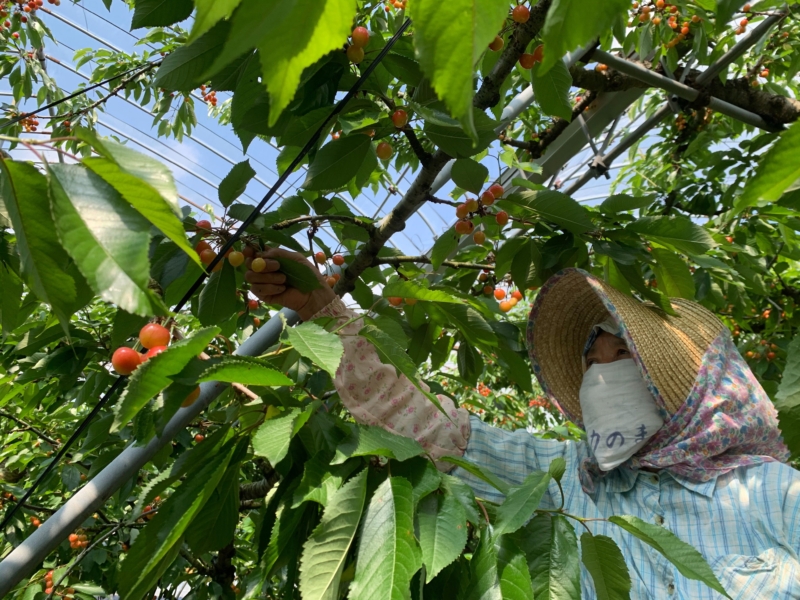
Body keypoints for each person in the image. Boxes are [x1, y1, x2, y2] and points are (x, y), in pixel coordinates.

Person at [246, 249, 800, 599]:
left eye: (620, 358)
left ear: (686, 390)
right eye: (591, 362)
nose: (599, 377)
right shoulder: (569, 485)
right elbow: (431, 431)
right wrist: (325, 312)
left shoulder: (772, 495)